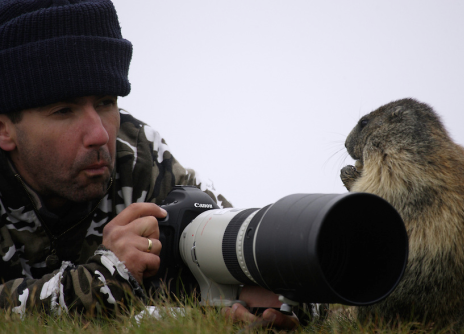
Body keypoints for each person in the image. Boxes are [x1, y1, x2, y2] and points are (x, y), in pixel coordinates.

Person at [0, 0, 300, 329]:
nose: (100, 135)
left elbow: (241, 247)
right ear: (5, 128)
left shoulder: (139, 156)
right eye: (63, 111)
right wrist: (102, 281)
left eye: (106, 102)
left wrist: (283, 295)